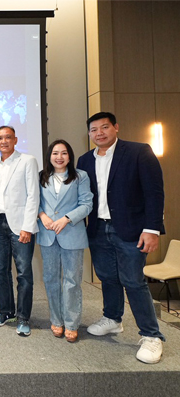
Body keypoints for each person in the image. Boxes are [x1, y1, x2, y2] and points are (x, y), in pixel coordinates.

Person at [77, 112, 165, 363]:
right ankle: (112, 319)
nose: (99, 133)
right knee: (107, 277)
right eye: (94, 130)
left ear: (116, 127)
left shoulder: (139, 152)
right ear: (89, 134)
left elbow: (154, 192)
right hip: (98, 229)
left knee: (133, 281)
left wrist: (152, 229)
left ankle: (151, 335)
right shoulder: (85, 160)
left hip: (131, 230)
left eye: (104, 127)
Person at [0, 125, 39, 336]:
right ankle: (6, 311)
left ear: (15, 140)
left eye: (8, 137)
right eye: (0, 138)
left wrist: (28, 226)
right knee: (1, 271)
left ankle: (23, 317)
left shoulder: (27, 161)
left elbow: (33, 196)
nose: (4, 141)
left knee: (24, 273)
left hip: (20, 225)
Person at [37, 140, 93, 343]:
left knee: (72, 281)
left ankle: (71, 323)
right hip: (48, 234)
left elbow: (87, 204)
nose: (59, 157)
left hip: (72, 233)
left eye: (63, 153)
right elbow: (34, 201)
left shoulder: (80, 176)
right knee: (51, 279)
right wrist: (42, 215)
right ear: (49, 156)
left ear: (69, 156)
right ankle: (56, 320)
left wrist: (67, 218)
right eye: (55, 153)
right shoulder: (41, 177)